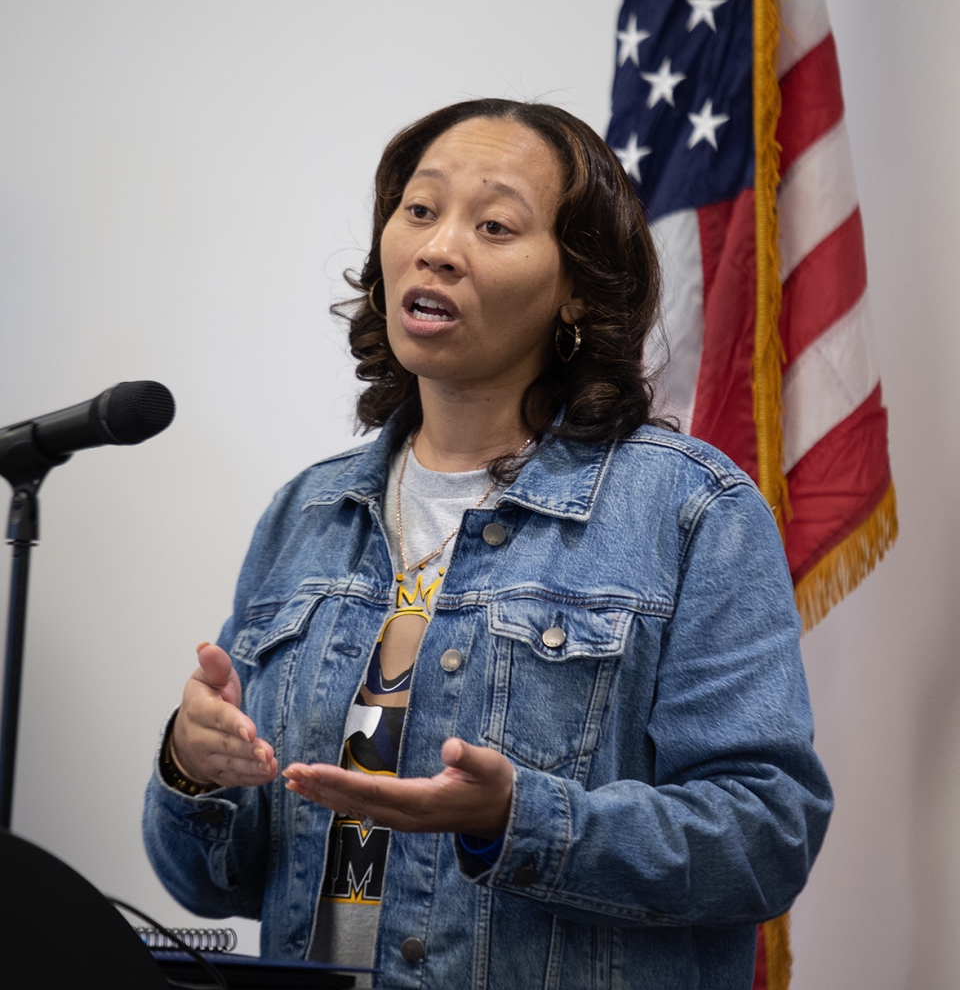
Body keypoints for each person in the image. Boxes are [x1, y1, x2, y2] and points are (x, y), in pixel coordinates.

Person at [143, 98, 832, 990]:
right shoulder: (304, 513)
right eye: (420, 210)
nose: (437, 246)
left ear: (578, 285)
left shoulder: (690, 509)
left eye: (495, 223)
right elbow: (213, 883)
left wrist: (518, 819)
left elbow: (765, 834)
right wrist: (193, 770)